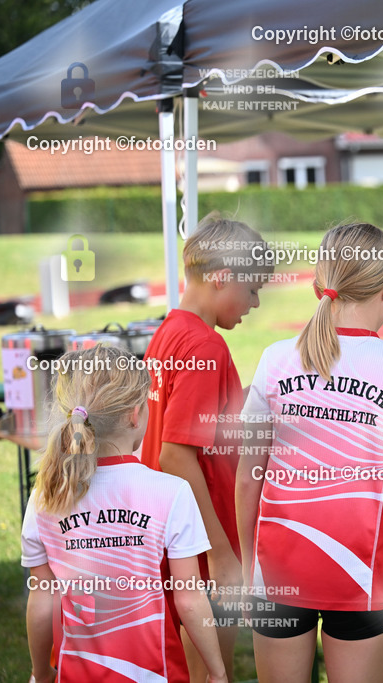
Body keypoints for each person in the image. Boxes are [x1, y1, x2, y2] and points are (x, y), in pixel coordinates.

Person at [236, 223, 383, 683]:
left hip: (277, 571)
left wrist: (250, 571)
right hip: (359, 572)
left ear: (318, 286)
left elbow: (248, 480)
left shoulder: (273, 359)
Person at [22, 345, 226, 683]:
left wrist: (41, 672)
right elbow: (189, 598)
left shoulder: (46, 496)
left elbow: (42, 600)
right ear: (135, 415)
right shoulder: (171, 492)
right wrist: (217, 672)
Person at [140, 213, 273, 682]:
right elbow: (175, 454)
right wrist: (220, 553)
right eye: (252, 289)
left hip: (169, 531)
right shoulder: (206, 347)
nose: (255, 302)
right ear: (222, 277)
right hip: (199, 539)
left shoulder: (168, 332)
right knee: (213, 673)